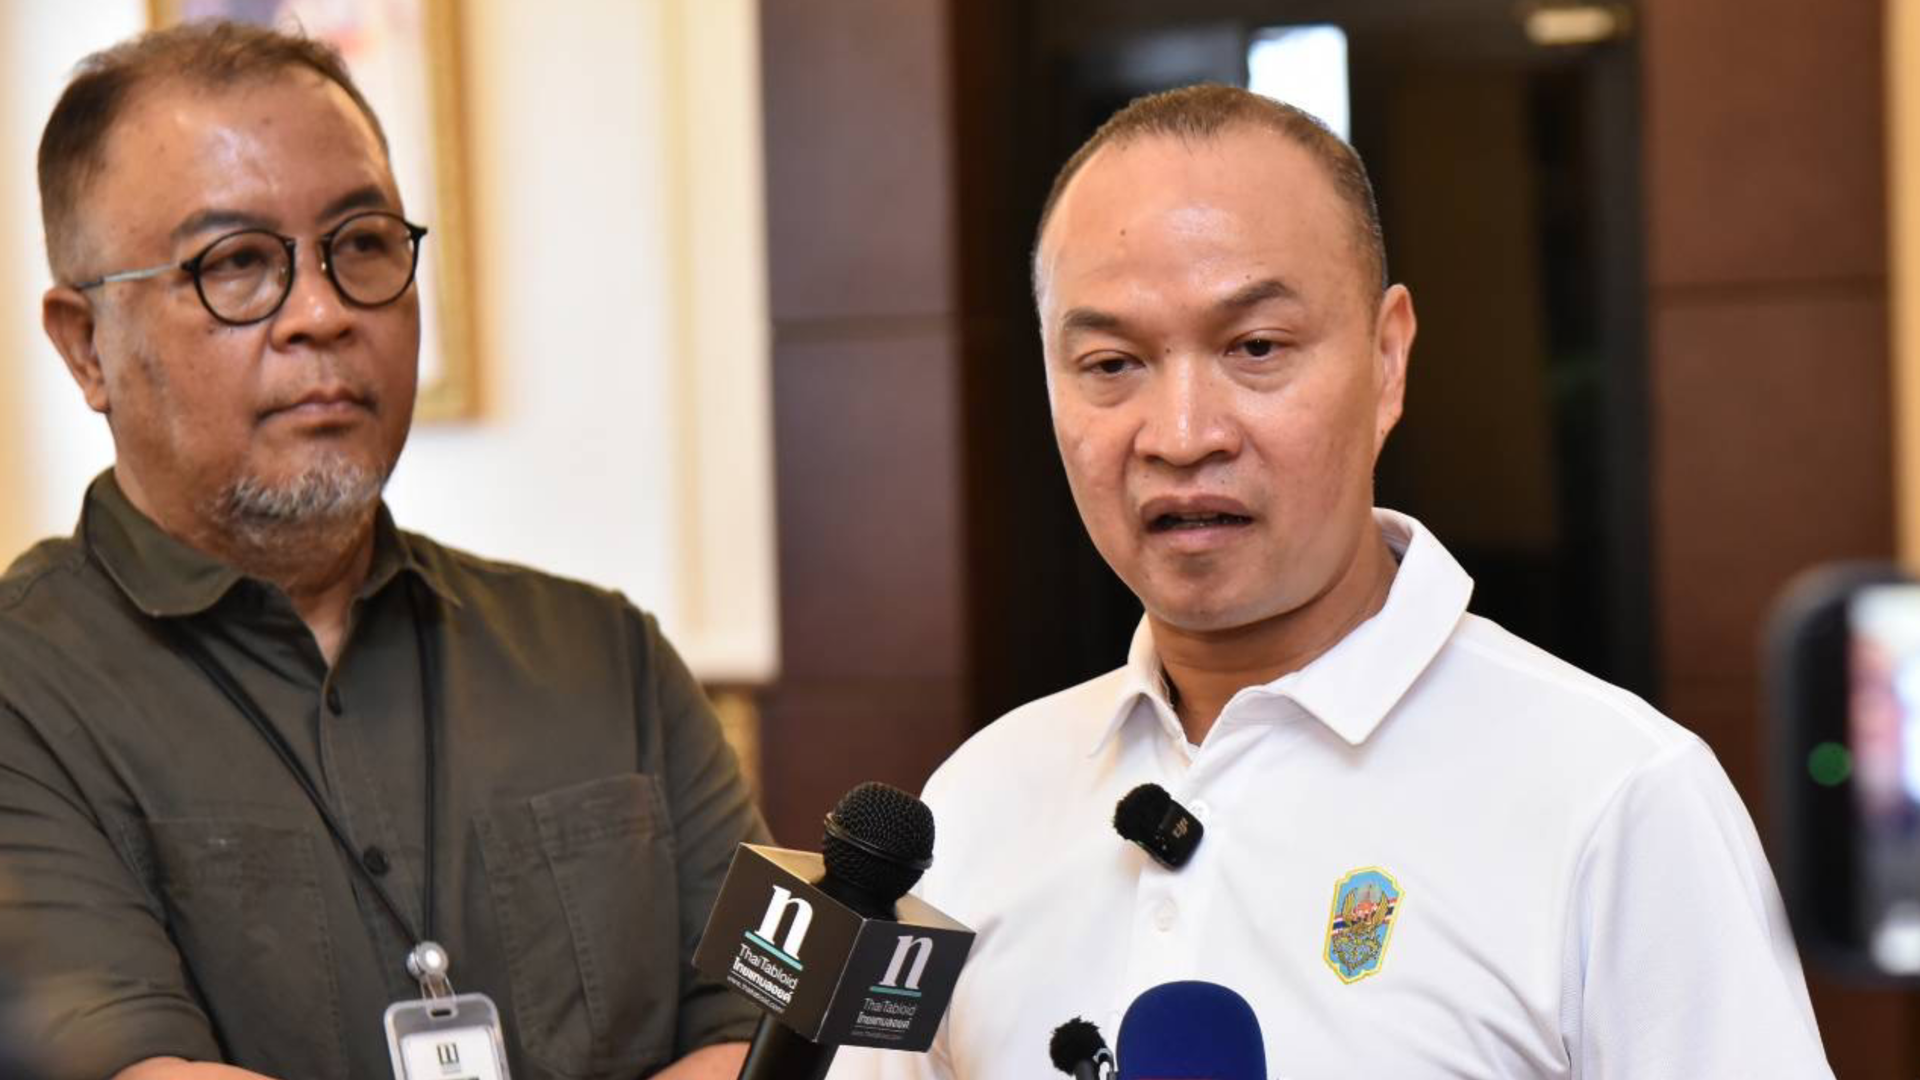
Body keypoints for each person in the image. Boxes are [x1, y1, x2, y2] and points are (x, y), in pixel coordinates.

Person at [830, 85, 1833, 1078]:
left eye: (1255, 348)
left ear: (1387, 359)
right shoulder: (976, 804)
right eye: (1110, 363)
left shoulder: (1616, 800)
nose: (1182, 435)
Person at [0, 22, 764, 1080]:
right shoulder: (27, 693)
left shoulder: (605, 656)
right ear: (86, 345)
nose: (321, 314)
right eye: (236, 264)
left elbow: (763, 1033)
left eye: (360, 244)